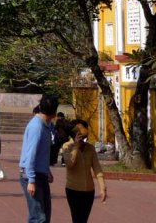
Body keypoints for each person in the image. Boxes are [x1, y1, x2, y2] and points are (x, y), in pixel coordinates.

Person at [19, 95, 60, 223]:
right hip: (32, 175)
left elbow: (41, 153)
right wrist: (31, 180)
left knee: (45, 215)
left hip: (40, 173)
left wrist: (47, 170)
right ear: (54, 112)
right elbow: (30, 156)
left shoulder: (45, 125)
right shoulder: (37, 127)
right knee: (38, 217)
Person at [60, 119, 107, 223]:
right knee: (77, 220)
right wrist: (76, 146)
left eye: (84, 137)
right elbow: (70, 164)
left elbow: (97, 168)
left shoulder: (90, 148)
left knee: (83, 220)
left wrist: (103, 188)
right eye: (80, 136)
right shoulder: (66, 146)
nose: (83, 140)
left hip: (89, 191)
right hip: (73, 190)